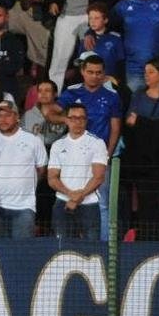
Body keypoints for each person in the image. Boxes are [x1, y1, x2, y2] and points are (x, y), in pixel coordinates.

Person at [122, 57, 159, 238]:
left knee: (158, 200)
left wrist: (141, 122)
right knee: (142, 201)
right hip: (140, 157)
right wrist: (154, 125)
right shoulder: (138, 94)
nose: (146, 76)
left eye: (151, 72)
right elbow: (129, 122)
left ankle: (156, 238)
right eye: (145, 72)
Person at [0, 100, 46, 239]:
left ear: (17, 117)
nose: (3, 119)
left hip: (24, 207)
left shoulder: (33, 140)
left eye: (7, 115)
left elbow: (41, 171)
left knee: (21, 253)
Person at [46, 102, 105, 240]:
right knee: (62, 249)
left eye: (81, 118)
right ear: (66, 120)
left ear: (86, 120)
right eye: (73, 118)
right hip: (62, 202)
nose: (77, 122)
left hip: (89, 204)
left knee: (91, 250)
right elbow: (52, 177)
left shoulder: (97, 143)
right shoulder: (58, 145)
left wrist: (79, 196)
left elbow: (98, 176)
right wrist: (70, 194)